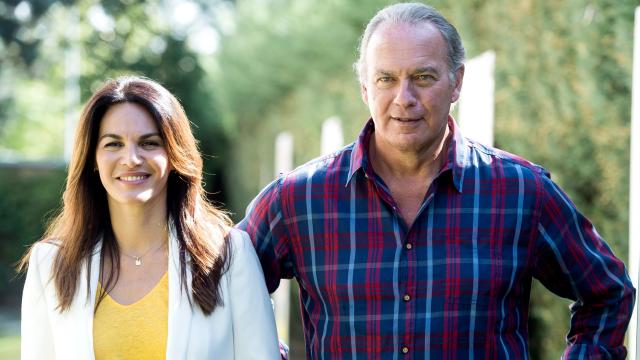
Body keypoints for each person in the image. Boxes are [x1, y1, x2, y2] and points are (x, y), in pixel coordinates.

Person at [238, 2, 636, 358]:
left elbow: (608, 294)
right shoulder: (298, 200)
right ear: (364, 87)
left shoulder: (521, 192)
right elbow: (222, 288)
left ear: (456, 81)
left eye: (424, 77)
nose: (404, 97)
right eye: (386, 79)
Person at [20, 76, 280, 359]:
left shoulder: (230, 255)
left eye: (149, 143)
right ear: (93, 159)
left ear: (174, 155)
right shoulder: (50, 265)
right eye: (113, 144)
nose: (131, 158)